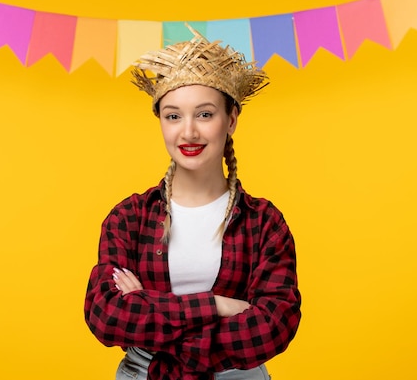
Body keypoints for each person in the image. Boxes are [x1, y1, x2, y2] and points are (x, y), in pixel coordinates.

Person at [84, 25, 302, 380]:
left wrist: (150, 311)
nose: (188, 132)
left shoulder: (264, 222)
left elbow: (275, 324)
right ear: (161, 122)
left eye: (204, 114)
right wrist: (216, 306)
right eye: (173, 115)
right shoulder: (128, 218)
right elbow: (107, 315)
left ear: (230, 120)